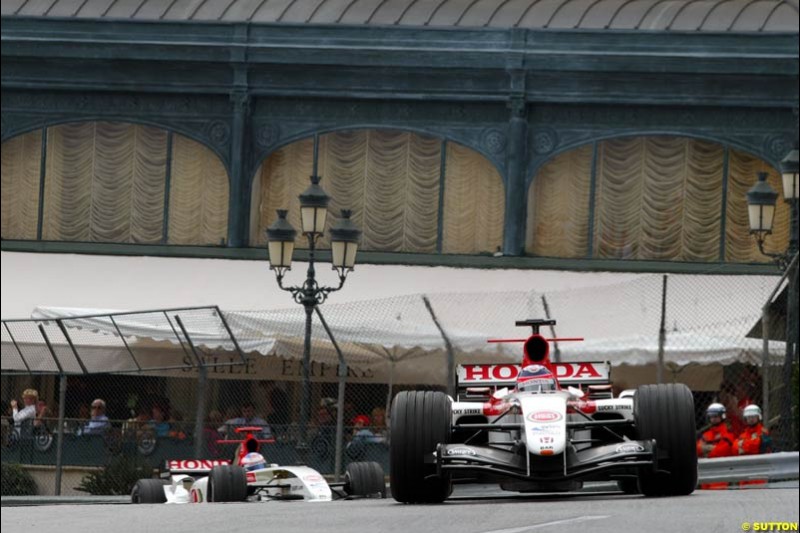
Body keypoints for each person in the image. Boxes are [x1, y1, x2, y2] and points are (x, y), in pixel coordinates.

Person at [697, 402, 734, 490]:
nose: (713, 419)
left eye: (715, 416)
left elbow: (722, 451)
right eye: (711, 417)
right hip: (706, 470)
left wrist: (705, 450)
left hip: (721, 470)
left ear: (722, 416)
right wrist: (711, 449)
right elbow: (697, 449)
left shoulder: (727, 432)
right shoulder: (707, 434)